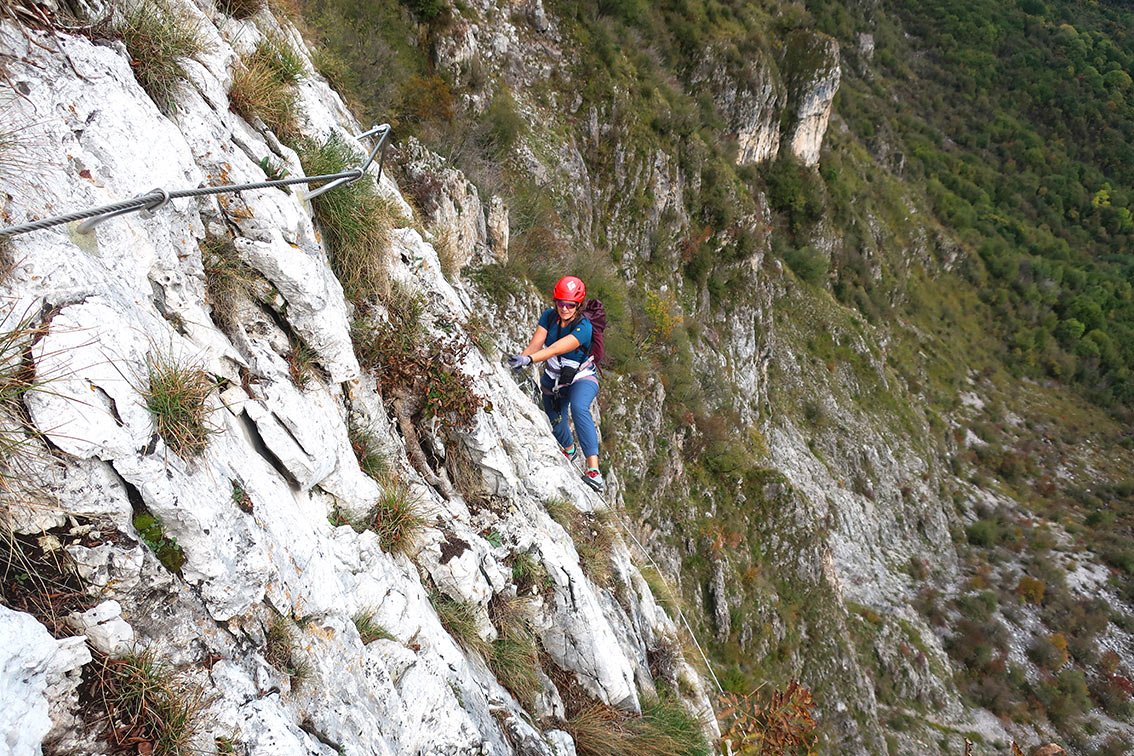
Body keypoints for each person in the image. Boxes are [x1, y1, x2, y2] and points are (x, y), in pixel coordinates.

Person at [508, 276, 604, 493]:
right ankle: (569, 450)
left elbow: (555, 349)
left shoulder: (584, 327)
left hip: (581, 377)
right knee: (555, 418)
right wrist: (521, 358)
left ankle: (594, 471)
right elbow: (536, 344)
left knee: (579, 408)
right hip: (554, 378)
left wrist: (529, 360)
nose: (565, 308)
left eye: (570, 305)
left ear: (578, 305)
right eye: (561, 303)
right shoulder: (549, 317)